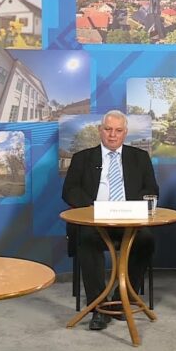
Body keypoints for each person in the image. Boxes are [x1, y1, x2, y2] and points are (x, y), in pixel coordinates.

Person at [62, 110, 159, 331]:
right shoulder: (82, 158)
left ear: (125, 133)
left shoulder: (140, 157)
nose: (112, 135)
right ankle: (98, 306)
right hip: (94, 220)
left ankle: (122, 300)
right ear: (100, 130)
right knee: (86, 240)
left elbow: (151, 189)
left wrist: (131, 208)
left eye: (118, 130)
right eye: (108, 129)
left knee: (145, 240)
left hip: (129, 220)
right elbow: (69, 190)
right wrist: (91, 208)